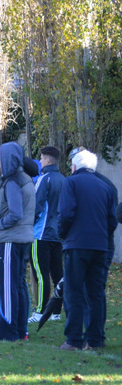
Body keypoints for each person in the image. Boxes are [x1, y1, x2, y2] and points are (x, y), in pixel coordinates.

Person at [59, 149, 118, 351]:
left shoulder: (71, 182)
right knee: (96, 293)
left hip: (77, 243)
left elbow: (66, 213)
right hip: (100, 245)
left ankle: (74, 339)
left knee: (73, 292)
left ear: (74, 166)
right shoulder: (106, 186)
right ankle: (95, 339)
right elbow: (112, 220)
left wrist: (63, 233)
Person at [0, 142, 36, 341]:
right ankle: (21, 330)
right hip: (21, 239)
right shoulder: (25, 178)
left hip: (10, 241)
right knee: (19, 285)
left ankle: (8, 332)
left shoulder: (13, 181)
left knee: (6, 286)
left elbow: (15, 213)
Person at [28, 146, 65, 323]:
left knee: (41, 275)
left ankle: (41, 311)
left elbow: (36, 206)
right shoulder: (64, 179)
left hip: (41, 234)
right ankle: (56, 312)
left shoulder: (44, 179)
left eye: (41, 158)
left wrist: (29, 224)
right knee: (57, 273)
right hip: (58, 235)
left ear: (48, 160)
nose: (40, 161)